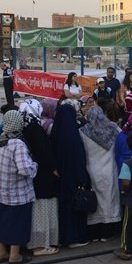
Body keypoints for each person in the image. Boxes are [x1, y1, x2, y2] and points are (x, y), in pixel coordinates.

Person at [0, 110, 38, 264]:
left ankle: (0, 252)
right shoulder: (17, 144)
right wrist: (34, 165)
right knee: (18, 223)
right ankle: (14, 255)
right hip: (16, 193)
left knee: (1, 221)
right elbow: (25, 169)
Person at [19, 99, 60, 256]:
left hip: (33, 175)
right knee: (42, 210)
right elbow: (43, 152)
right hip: (42, 176)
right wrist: (54, 168)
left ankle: (37, 243)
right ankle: (40, 245)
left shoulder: (23, 126)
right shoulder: (35, 128)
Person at [50, 104, 91, 248]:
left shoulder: (55, 132)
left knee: (64, 206)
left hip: (61, 176)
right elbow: (80, 158)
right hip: (74, 176)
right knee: (75, 206)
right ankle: (75, 237)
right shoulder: (73, 135)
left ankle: (65, 236)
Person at [80, 103, 121, 242]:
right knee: (109, 200)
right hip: (110, 169)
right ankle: (107, 233)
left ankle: (94, 233)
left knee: (96, 201)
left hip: (92, 169)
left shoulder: (83, 131)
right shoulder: (113, 128)